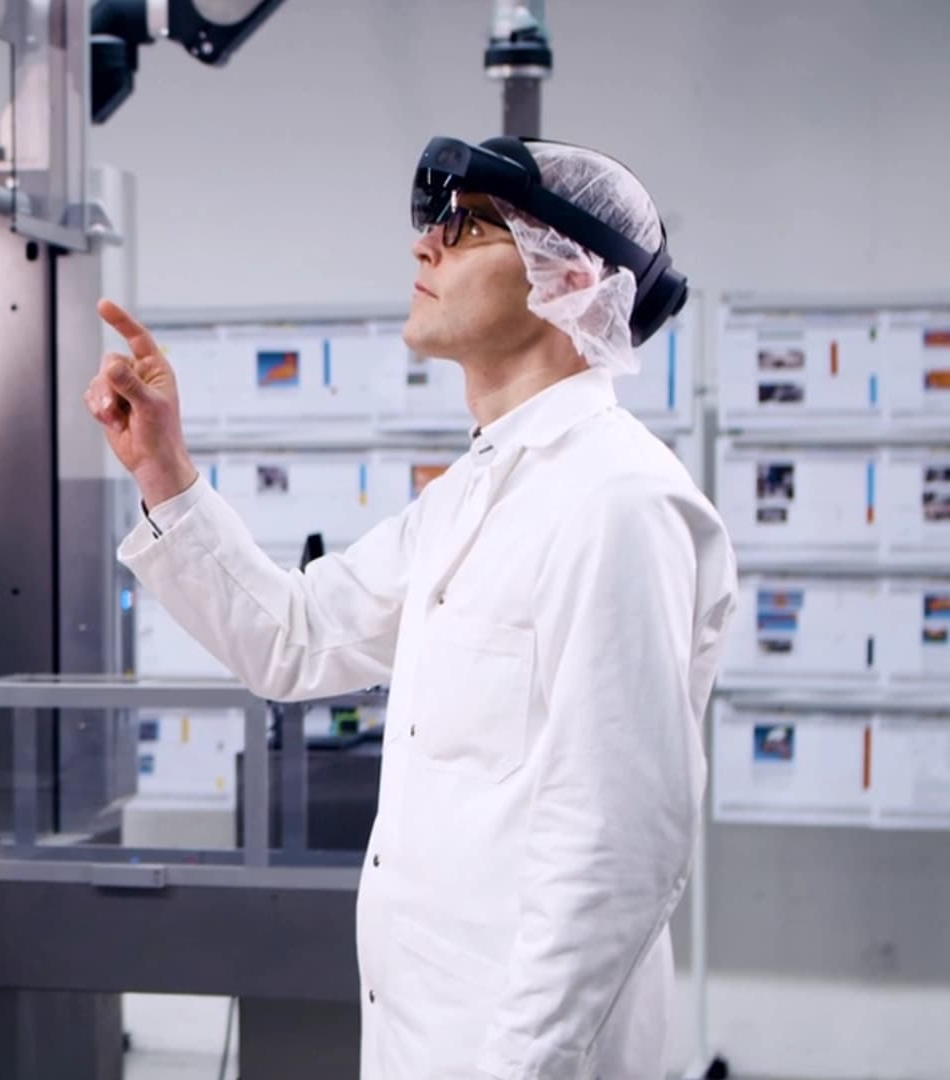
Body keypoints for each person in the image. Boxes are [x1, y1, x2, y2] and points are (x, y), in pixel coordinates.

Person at [85, 137, 738, 1080]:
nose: (425, 247)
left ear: (570, 279)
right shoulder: (475, 493)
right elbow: (297, 641)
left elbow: (617, 854)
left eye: (467, 225)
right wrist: (164, 472)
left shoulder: (616, 504)